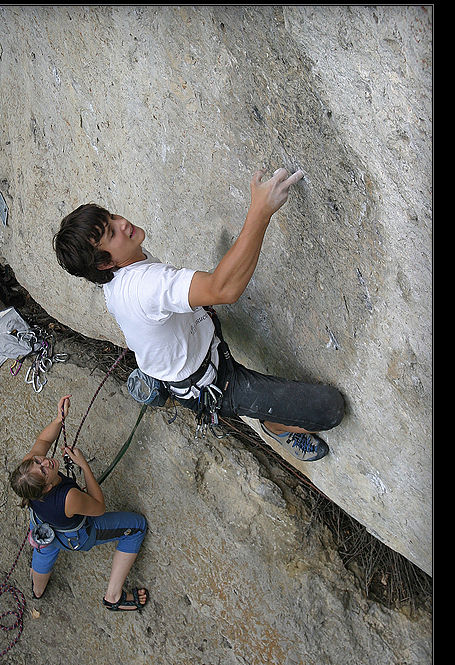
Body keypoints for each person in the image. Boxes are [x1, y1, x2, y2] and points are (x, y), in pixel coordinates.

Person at [52, 168, 345, 461]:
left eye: (112, 217)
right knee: (329, 408)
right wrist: (261, 211)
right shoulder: (142, 287)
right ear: (104, 264)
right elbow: (225, 289)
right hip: (214, 383)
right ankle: (276, 426)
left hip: (201, 342)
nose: (123, 223)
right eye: (111, 233)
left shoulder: (123, 268)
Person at [10, 394, 148, 611]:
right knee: (137, 526)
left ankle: (37, 590)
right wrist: (84, 466)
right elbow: (99, 506)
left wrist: (58, 419)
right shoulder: (69, 498)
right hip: (77, 535)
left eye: (39, 461)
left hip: (41, 526)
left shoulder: (28, 477)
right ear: (47, 487)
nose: (45, 461)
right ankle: (113, 596)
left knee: (45, 547)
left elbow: (44, 441)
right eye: (44, 470)